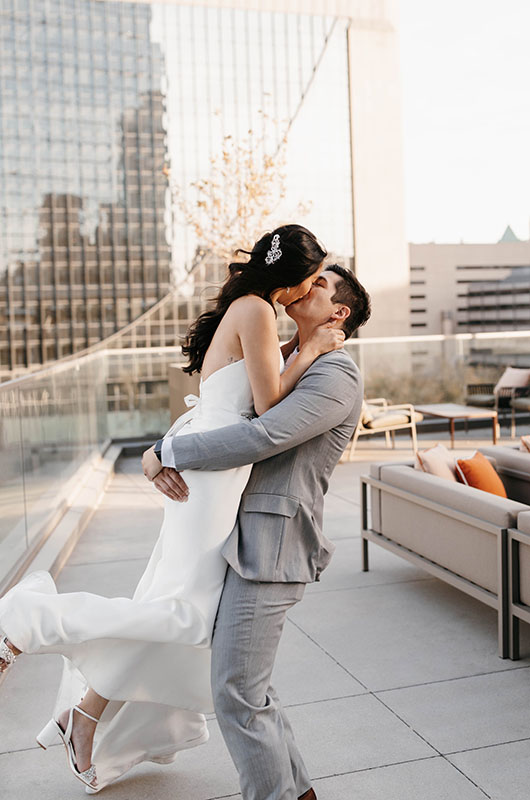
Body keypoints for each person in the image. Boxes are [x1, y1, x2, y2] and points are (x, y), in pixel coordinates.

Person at [0, 224, 350, 794]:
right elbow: (266, 410)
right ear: (288, 281)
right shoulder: (258, 311)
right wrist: (309, 349)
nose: (311, 290)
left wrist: (299, 349)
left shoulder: (252, 309)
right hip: (212, 473)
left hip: (211, 464)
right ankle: (24, 622)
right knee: (186, 618)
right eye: (310, 279)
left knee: (171, 608)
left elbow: (246, 391)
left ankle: (84, 715)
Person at [144, 262, 371, 800]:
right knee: (251, 689)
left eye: (319, 283)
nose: (304, 284)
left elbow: (262, 436)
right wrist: (167, 443)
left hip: (273, 546)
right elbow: (220, 413)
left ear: (338, 313)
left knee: (235, 692)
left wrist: (165, 451)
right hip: (238, 537)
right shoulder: (290, 358)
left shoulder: (335, 375)